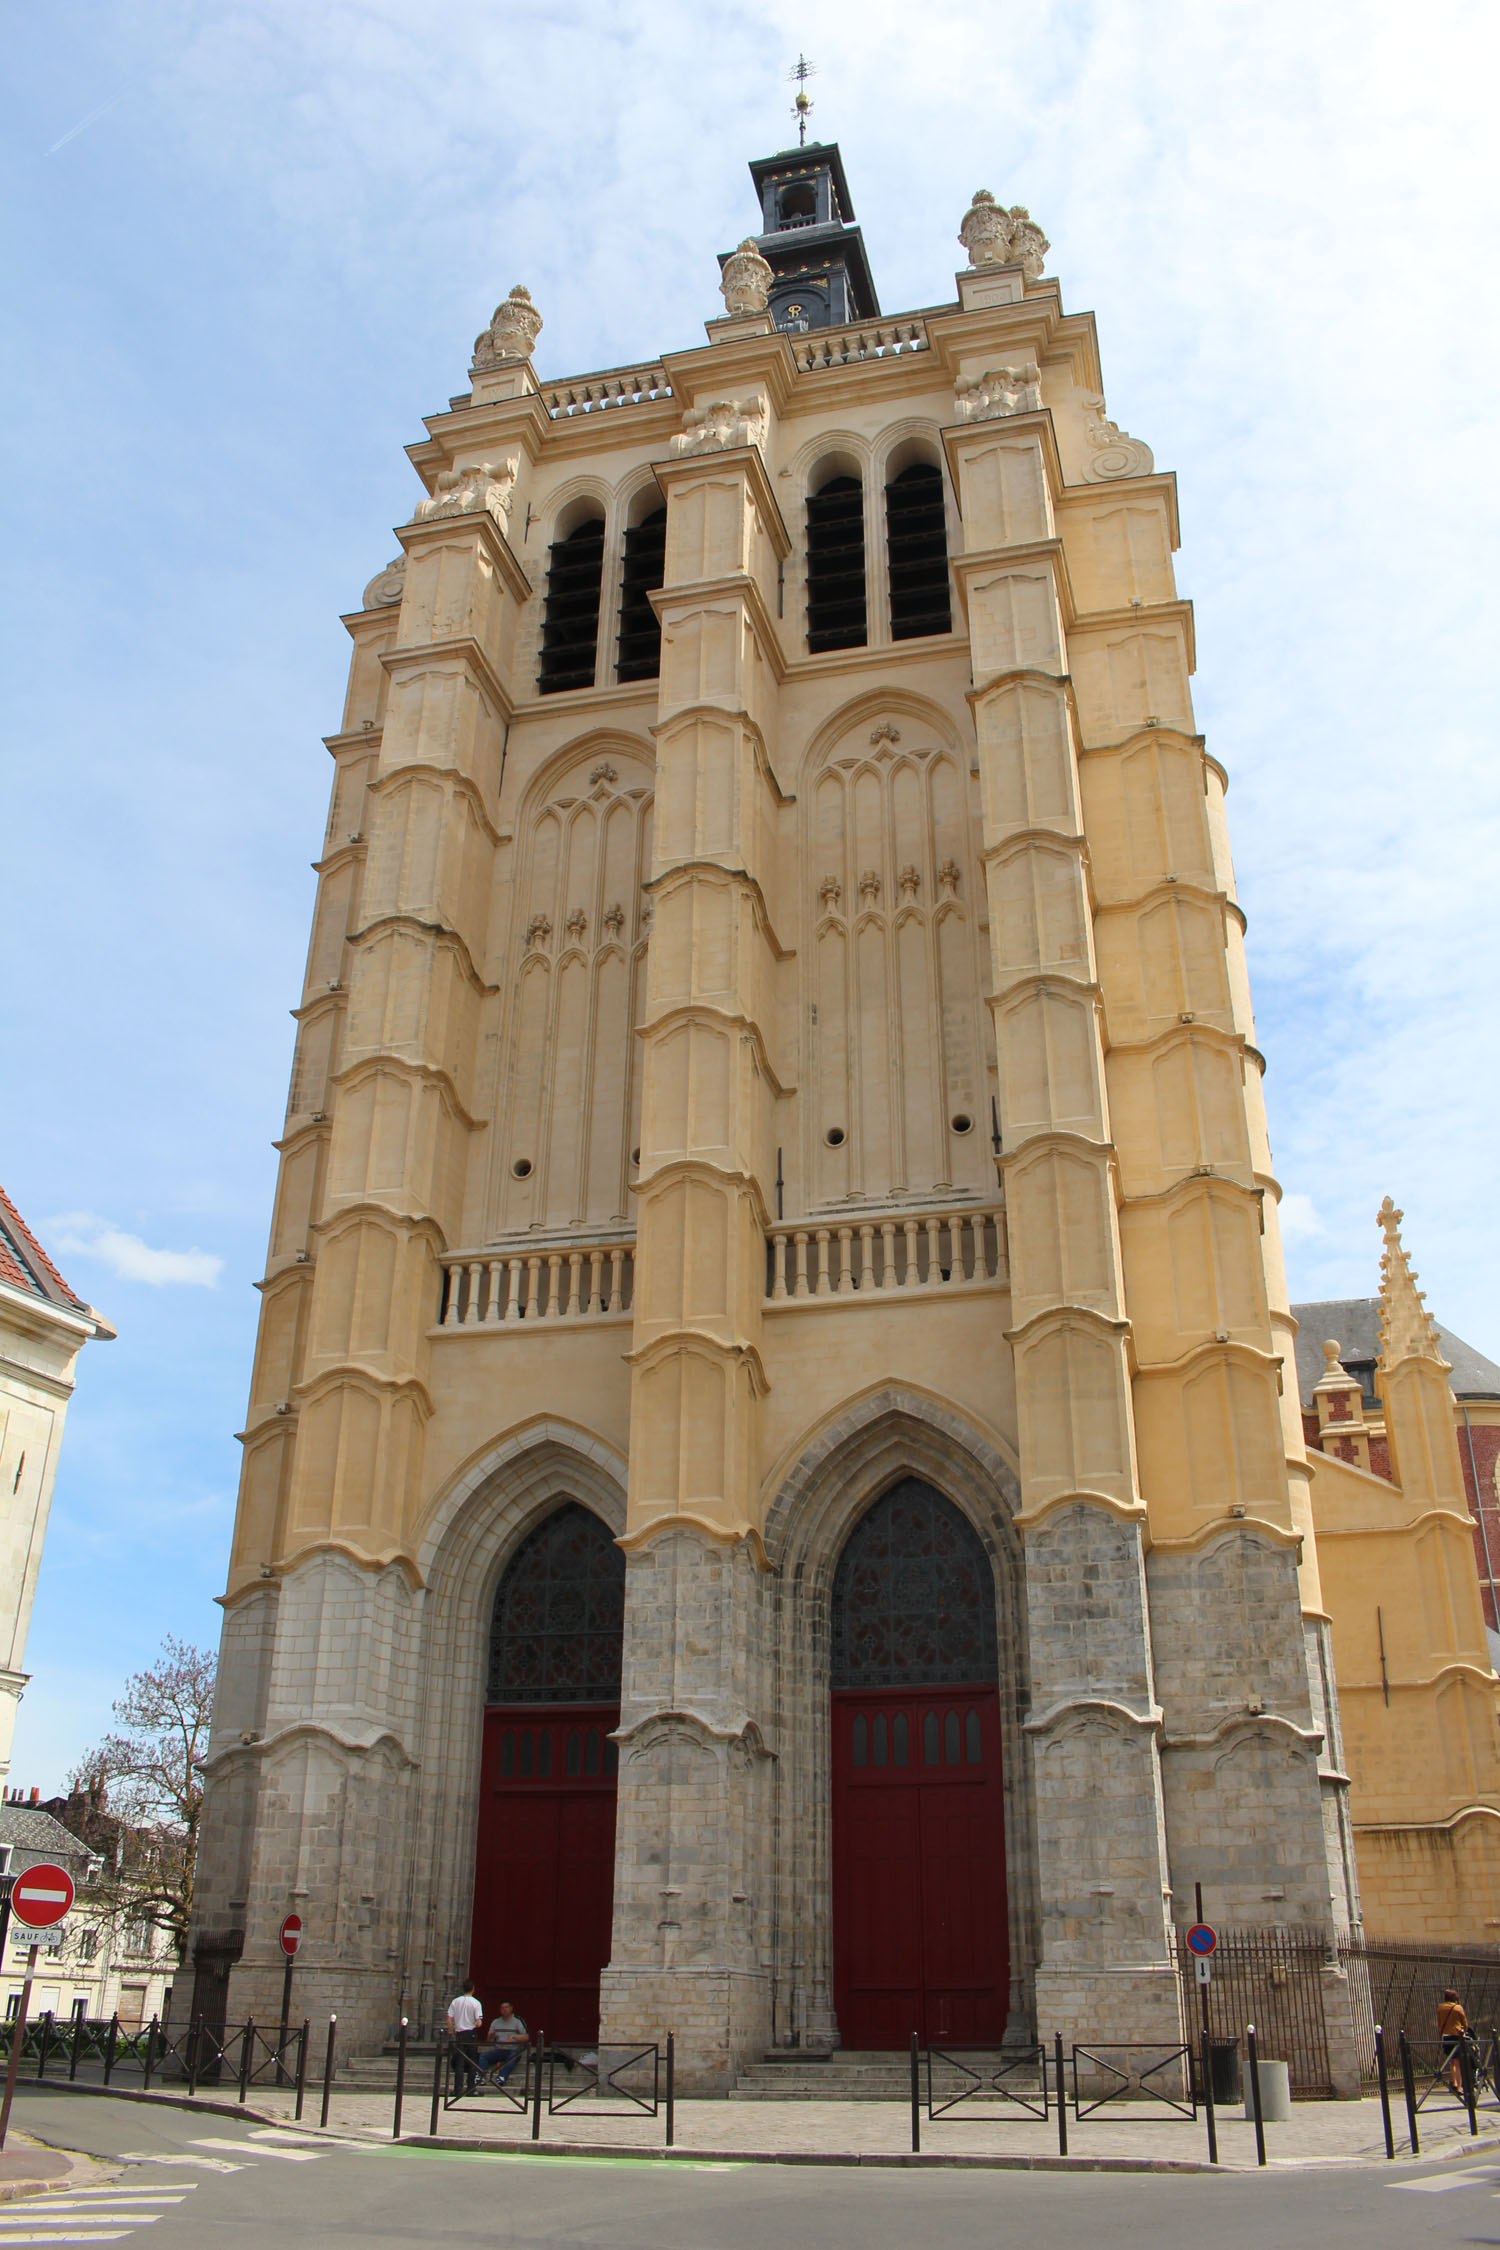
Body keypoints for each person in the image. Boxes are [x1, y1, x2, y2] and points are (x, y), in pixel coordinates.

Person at [478, 2000, 530, 2088]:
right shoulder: (495, 2022)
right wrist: (490, 2036)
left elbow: (526, 2037)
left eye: (506, 2007)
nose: (504, 2010)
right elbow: (488, 2041)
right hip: (499, 2049)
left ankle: (502, 2077)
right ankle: (480, 2077)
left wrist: (514, 2036)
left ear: (511, 2009)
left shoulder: (517, 2021)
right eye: (502, 2008)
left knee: (513, 2056)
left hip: (512, 2050)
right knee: (483, 2056)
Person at [446, 1979, 483, 2095]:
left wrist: (452, 2031)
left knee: (460, 2061)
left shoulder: (455, 2001)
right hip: (470, 2033)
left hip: (459, 2033)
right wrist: (477, 2022)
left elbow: (449, 2018)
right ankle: (471, 2088)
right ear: (473, 1989)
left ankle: (458, 2088)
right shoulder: (476, 2003)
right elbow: (478, 2022)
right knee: (472, 2061)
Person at [1437, 1987, 1469, 2093]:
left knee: (1452, 2060)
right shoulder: (1457, 2008)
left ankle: (1454, 2082)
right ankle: (1459, 2086)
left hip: (1446, 2036)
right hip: (1456, 2035)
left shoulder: (1440, 2008)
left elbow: (1439, 2022)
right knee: (1457, 2062)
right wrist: (1464, 2031)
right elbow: (1465, 2023)